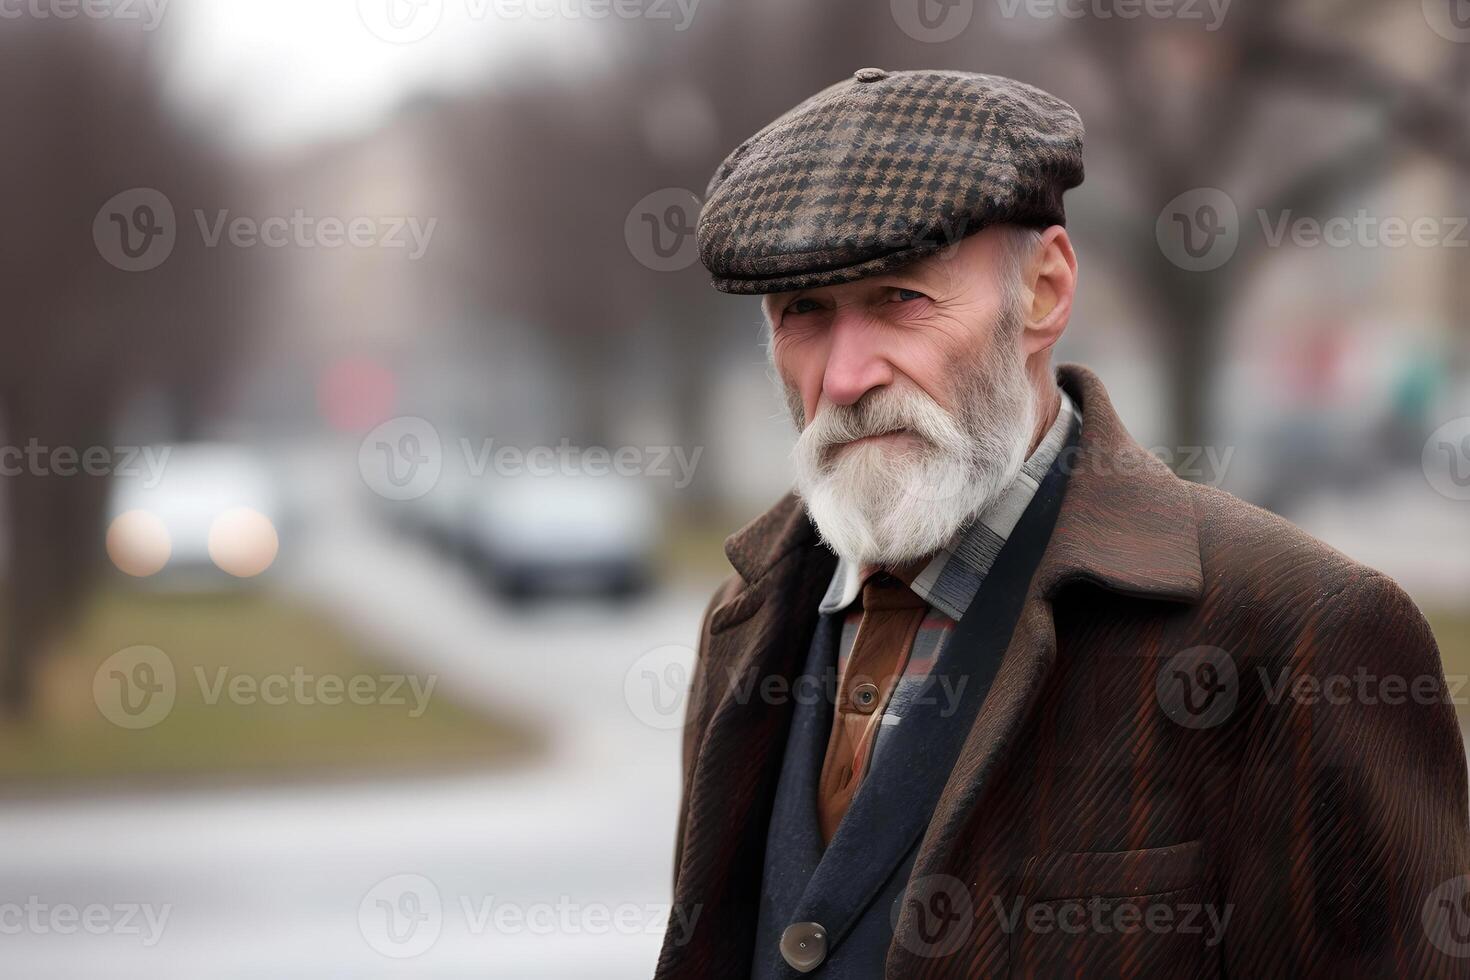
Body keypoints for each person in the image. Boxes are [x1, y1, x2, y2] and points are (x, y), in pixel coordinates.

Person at [654, 68, 1470, 979]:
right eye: (803, 313)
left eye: (902, 300)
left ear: (1043, 292)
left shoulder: (1298, 628)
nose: (844, 378)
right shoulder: (745, 619)